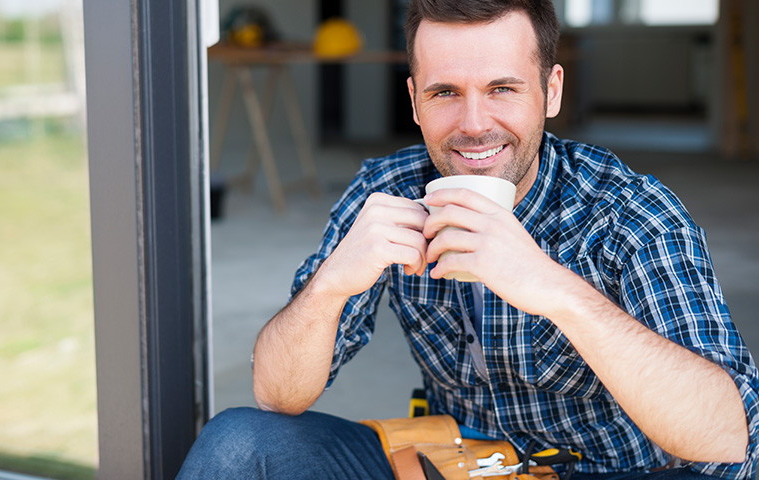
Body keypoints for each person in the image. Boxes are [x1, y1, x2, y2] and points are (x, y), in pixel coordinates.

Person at [177, 0, 759, 478]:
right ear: (414, 101)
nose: (474, 124)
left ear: (551, 92)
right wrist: (331, 284)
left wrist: (551, 286)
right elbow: (278, 397)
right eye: (445, 93)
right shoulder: (387, 194)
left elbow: (730, 434)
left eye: (503, 88)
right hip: (457, 461)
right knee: (238, 444)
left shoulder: (629, 213)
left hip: (609, 470)